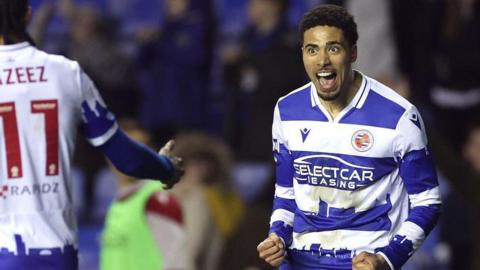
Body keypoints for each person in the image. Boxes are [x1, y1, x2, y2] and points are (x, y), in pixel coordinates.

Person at [257, 5, 441, 270]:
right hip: (301, 260)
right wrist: (278, 237)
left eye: (333, 48)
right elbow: (287, 193)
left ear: (352, 52)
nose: (322, 61)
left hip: (365, 262)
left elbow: (428, 202)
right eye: (312, 50)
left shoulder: (399, 116)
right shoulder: (286, 111)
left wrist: (388, 259)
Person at [0, 1, 183, 269]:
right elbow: (125, 158)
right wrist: (165, 168)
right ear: (28, 15)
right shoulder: (65, 73)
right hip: (54, 252)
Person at [101, 119, 193, 270]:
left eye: (136, 151)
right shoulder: (120, 202)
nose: (129, 158)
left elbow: (178, 262)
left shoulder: (157, 200)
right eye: (121, 151)